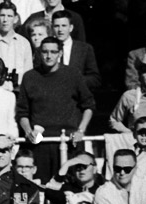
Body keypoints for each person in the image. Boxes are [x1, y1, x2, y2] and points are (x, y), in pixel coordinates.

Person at [17, 37, 95, 183]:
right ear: (39, 53)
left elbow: (88, 105)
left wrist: (81, 131)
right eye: (45, 52)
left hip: (69, 142)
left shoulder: (73, 74)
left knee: (70, 186)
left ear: (60, 53)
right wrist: (28, 131)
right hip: (40, 144)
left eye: (53, 52)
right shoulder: (30, 77)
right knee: (42, 187)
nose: (49, 56)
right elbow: (22, 112)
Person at [51, 10, 101, 90]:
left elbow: (95, 79)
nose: (60, 30)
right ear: (52, 28)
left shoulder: (85, 49)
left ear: (71, 28)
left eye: (64, 26)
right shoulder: (45, 48)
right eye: (56, 26)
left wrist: (74, 81)